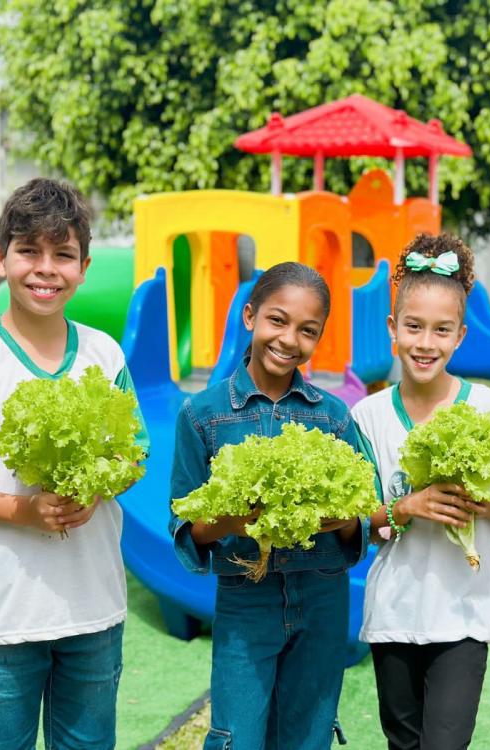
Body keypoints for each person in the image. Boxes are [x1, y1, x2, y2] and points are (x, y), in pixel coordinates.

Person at [0, 178, 147, 750]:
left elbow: (133, 453)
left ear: (84, 267)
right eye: (29, 251)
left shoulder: (105, 354)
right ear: (0, 260)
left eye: (63, 255)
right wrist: (24, 510)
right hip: (3, 613)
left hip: (92, 608)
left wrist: (100, 485)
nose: (46, 269)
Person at [169, 262, 370, 750]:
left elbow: (364, 513)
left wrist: (339, 517)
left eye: (307, 331)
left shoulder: (334, 416)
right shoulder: (203, 414)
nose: (288, 339)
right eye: (276, 320)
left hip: (322, 596)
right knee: (237, 735)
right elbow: (184, 526)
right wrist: (229, 521)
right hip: (245, 599)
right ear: (249, 317)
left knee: (309, 732)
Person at [352, 233, 490, 750]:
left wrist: (468, 497)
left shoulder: (489, 407)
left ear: (460, 336)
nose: (425, 343)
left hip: (465, 615)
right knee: (402, 743)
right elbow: (364, 520)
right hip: (392, 614)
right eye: (413, 327)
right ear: (392, 329)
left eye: (441, 330)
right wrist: (407, 506)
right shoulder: (369, 415)